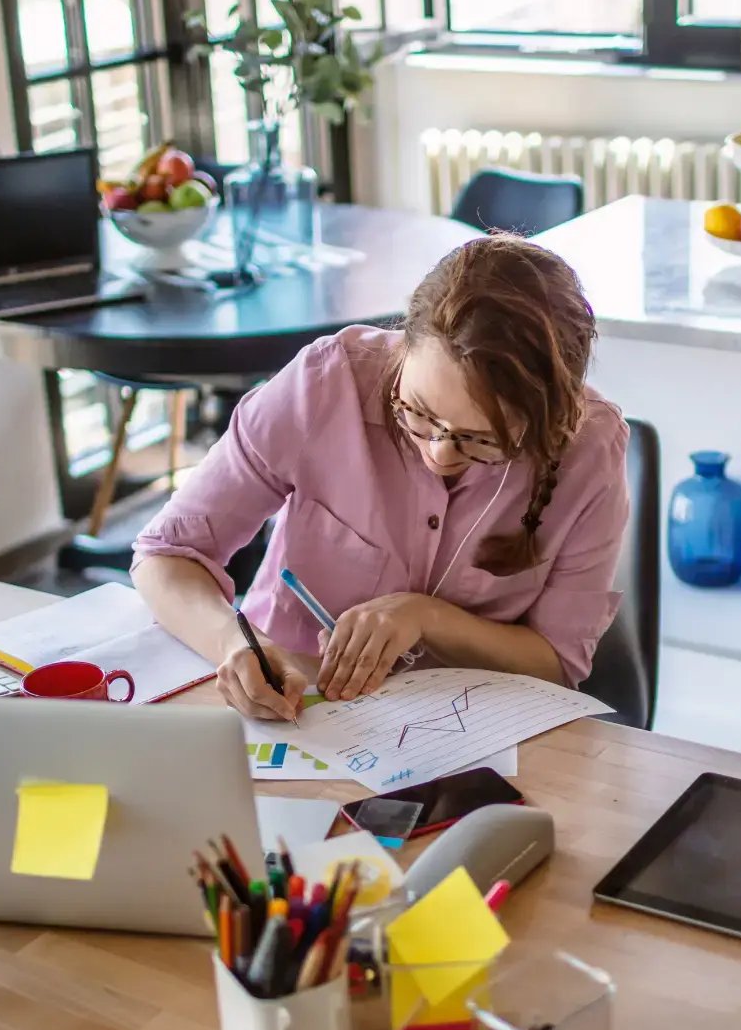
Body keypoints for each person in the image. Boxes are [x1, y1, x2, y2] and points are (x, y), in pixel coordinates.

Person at [133, 234, 630, 721]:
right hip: (297, 710)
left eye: (481, 440)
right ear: (404, 347)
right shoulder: (326, 384)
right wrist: (233, 640)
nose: (438, 453)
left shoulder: (589, 450)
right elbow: (166, 555)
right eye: (417, 412)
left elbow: (558, 666)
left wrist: (427, 617)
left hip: (468, 730)